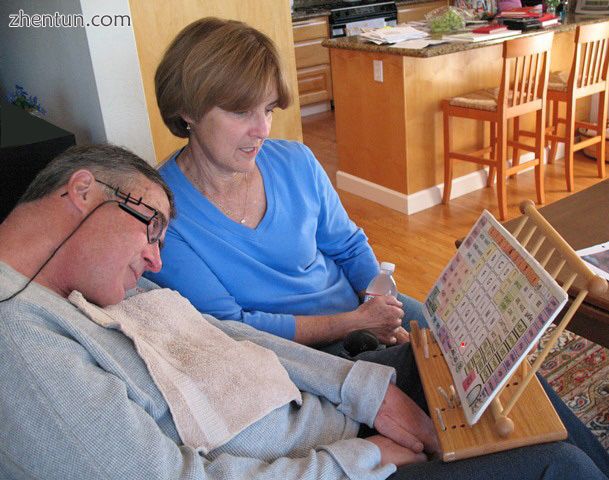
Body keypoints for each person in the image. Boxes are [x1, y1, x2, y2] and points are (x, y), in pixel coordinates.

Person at [0, 144, 608, 479]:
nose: (158, 259)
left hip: (327, 411)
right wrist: (358, 457)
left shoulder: (84, 287)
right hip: (323, 461)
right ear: (82, 192)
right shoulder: (18, 344)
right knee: (558, 466)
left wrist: (364, 389)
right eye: (151, 229)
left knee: (485, 369)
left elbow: (225, 333)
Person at [145, 17, 424, 350]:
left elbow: (348, 247)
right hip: (299, 353)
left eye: (268, 109)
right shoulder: (162, 212)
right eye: (241, 112)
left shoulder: (296, 161)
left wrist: (377, 303)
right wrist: (358, 323)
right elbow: (230, 326)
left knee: (455, 336)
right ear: (187, 109)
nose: (262, 129)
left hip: (359, 310)